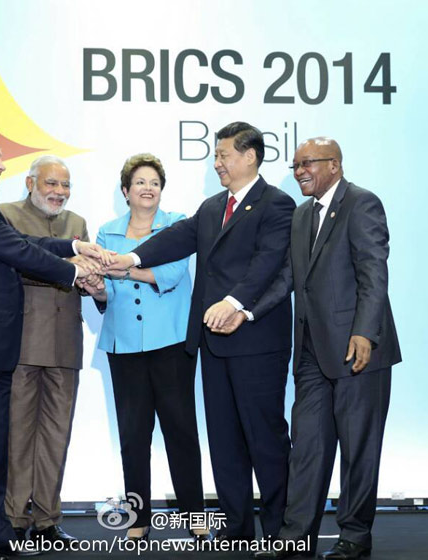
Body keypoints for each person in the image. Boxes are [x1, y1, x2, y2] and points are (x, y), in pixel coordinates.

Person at [109, 124, 296, 542]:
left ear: (250, 156)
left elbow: (268, 264)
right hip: (212, 344)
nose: (217, 163)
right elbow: (177, 239)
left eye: (224, 155)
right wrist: (132, 258)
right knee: (224, 442)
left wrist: (234, 303)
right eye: (216, 155)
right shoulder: (212, 207)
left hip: (256, 344)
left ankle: (281, 533)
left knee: (264, 440)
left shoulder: (277, 204)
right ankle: (236, 529)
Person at [0, 132, 109, 560]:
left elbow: (28, 242)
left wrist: (74, 245)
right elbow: (17, 249)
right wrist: (73, 271)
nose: (1, 163)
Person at [231, 137, 401, 559]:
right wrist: (246, 312)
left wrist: (365, 333)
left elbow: (373, 273)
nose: (299, 172)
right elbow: (289, 277)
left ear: (335, 165)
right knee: (306, 447)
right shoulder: (302, 214)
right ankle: (295, 538)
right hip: (311, 353)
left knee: (358, 449)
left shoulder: (362, 203)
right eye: (295, 165)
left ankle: (355, 537)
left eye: (307, 163)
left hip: (357, 349)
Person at [81, 153, 207, 542]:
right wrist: (98, 289)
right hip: (124, 346)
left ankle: (195, 515)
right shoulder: (107, 232)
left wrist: (125, 269)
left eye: (154, 182)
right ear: (125, 191)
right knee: (133, 435)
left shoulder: (177, 225)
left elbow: (171, 273)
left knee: (181, 431)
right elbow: (105, 287)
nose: (147, 188)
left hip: (171, 342)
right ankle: (138, 517)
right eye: (140, 182)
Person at [0, 156, 90, 547]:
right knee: (18, 434)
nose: (59, 192)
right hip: (22, 341)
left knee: (56, 435)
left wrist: (94, 283)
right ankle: (15, 519)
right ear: (30, 183)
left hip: (66, 343)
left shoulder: (77, 223)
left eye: (65, 185)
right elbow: (15, 266)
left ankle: (48, 520)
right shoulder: (6, 215)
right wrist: (69, 265)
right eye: (51, 183)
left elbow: (84, 277)